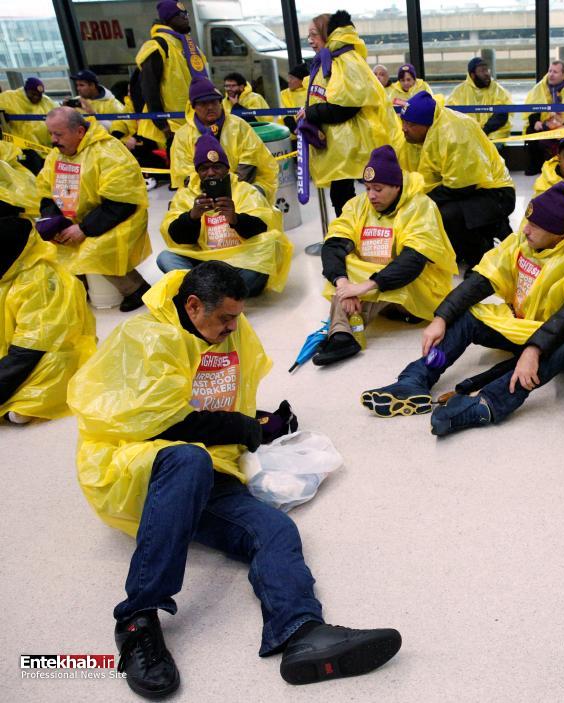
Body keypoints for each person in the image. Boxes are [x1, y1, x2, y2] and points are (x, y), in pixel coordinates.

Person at [67, 261, 402, 699]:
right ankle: (136, 621)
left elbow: (217, 400)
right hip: (139, 470)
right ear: (193, 306)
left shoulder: (224, 330)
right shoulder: (145, 338)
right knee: (188, 459)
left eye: (237, 316)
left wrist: (257, 421)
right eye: (225, 318)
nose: (233, 327)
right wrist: (240, 428)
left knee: (275, 529)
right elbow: (158, 420)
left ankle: (300, 630)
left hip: (210, 469)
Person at [360, 182, 564, 435]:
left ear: (559, 234)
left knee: (563, 347)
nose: (525, 229)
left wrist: (534, 350)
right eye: (528, 221)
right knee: (467, 317)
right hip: (526, 323)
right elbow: (482, 279)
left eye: (535, 226)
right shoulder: (526, 238)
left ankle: (487, 404)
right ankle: (415, 378)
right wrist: (441, 317)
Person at [314, 146, 457, 366]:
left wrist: (364, 286)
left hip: (417, 291)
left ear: (396, 186)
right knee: (343, 265)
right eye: (367, 188)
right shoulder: (358, 206)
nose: (371, 195)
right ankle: (342, 334)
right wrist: (344, 285)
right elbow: (333, 244)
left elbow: (413, 261)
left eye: (378, 189)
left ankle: (342, 334)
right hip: (374, 287)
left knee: (396, 270)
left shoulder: (421, 207)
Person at [0, 160, 96, 425]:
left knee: (50, 369)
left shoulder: (39, 281)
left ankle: (25, 404)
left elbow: (27, 351)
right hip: (14, 352)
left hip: (41, 352)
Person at [36, 108, 152, 311]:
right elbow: (46, 194)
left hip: (117, 218)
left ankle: (135, 289)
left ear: (80, 132)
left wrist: (84, 228)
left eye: (59, 134)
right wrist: (54, 223)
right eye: (51, 133)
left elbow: (122, 203)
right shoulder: (56, 156)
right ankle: (78, 287)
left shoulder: (109, 152)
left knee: (94, 249)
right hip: (77, 220)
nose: (53, 140)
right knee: (48, 248)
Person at [158, 133, 292, 297]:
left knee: (269, 249)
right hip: (204, 262)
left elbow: (263, 226)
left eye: (216, 167)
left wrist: (236, 219)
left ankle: (205, 294)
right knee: (165, 257)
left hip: (240, 261)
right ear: (197, 172)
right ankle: (225, 295)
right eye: (204, 168)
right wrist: (192, 217)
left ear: (227, 169)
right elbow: (176, 236)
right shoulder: (186, 195)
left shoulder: (245, 190)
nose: (210, 173)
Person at [297, 10, 401, 218]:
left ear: (327, 34)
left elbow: (346, 107)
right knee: (343, 196)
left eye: (314, 34)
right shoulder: (330, 60)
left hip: (355, 145)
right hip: (342, 146)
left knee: (368, 194)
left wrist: (311, 113)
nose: (310, 40)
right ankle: (350, 231)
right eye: (308, 36)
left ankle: (361, 231)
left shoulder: (344, 61)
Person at [399, 90, 515, 270]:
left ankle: (480, 260)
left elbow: (462, 186)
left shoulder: (454, 134)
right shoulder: (429, 131)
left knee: (446, 214)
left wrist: (425, 200)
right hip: (471, 188)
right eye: (403, 121)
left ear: (427, 124)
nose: (404, 128)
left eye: (411, 124)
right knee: (429, 207)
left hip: (495, 192)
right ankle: (473, 240)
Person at [171, 78, 278, 199]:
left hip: (242, 185)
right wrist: (210, 192)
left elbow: (249, 162)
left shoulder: (238, 125)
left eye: (214, 102)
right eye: (203, 103)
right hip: (200, 191)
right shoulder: (182, 135)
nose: (210, 107)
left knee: (254, 197)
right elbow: (185, 174)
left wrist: (228, 189)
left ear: (220, 102)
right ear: (193, 106)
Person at [134, 0, 209, 151]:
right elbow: (149, 88)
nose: (186, 18)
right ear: (168, 19)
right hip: (172, 128)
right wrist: (162, 124)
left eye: (186, 14)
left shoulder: (188, 45)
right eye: (180, 15)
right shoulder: (157, 45)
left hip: (196, 123)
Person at [524, 60, 564, 175]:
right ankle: (536, 166)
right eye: (550, 71)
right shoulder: (539, 88)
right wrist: (535, 122)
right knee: (531, 131)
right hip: (545, 124)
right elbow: (532, 107)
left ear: (563, 75)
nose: (551, 74)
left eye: (555, 72)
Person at [446, 57, 513, 143]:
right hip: (468, 136)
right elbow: (451, 115)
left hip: (493, 135)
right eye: (482, 71)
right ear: (472, 75)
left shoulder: (497, 90)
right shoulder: (459, 92)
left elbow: (501, 115)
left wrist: (484, 131)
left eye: (487, 70)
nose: (486, 74)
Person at [0, 78, 57, 173]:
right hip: (21, 150)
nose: (36, 97)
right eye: (33, 94)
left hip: (45, 150)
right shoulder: (9, 98)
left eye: (39, 95)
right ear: (25, 90)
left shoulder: (47, 102)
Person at [279, 63, 309, 135]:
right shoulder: (284, 94)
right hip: (293, 134)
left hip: (312, 133)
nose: (289, 81)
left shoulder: (311, 91)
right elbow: (286, 114)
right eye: (289, 77)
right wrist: (295, 129)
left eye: (292, 78)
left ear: (302, 80)